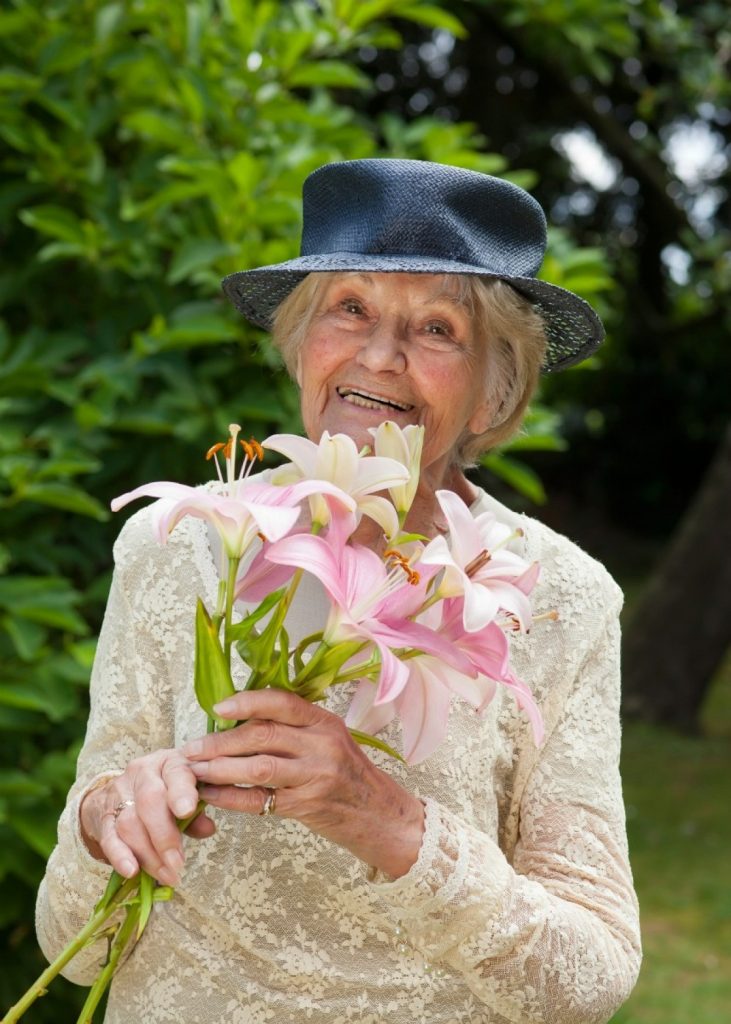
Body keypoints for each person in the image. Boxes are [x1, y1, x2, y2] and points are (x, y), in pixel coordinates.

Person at [36, 159, 641, 1023]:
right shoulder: (178, 547)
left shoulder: (561, 599)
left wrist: (389, 822)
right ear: (301, 343)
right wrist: (104, 823)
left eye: (438, 329)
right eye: (348, 308)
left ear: (490, 392)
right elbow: (76, 942)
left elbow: (592, 975)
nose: (378, 357)